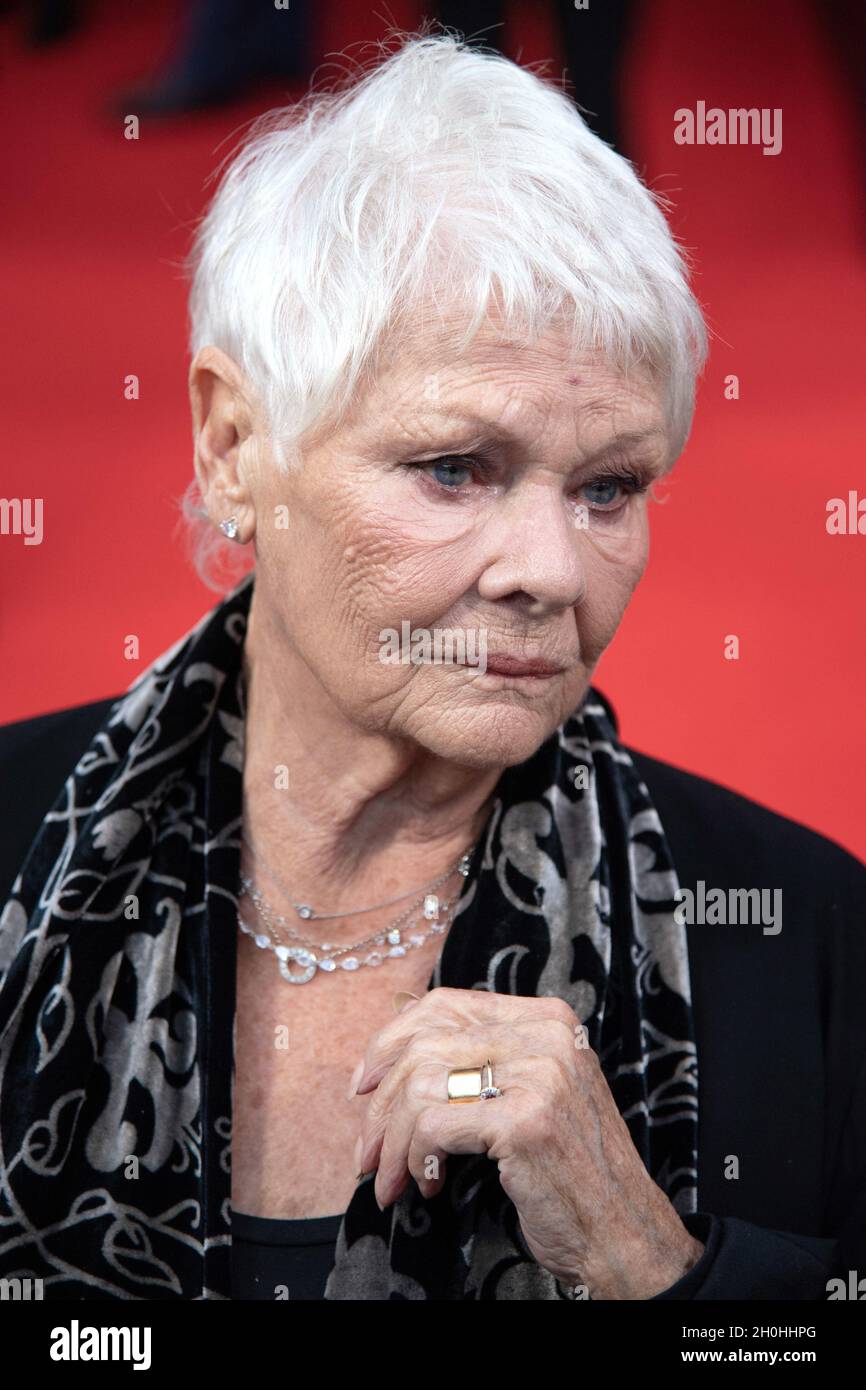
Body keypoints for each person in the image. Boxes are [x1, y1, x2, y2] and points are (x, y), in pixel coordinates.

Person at [0, 33, 863, 1301]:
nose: (550, 572)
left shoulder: (804, 944)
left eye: (608, 487)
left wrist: (654, 1266)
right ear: (235, 444)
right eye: (454, 468)